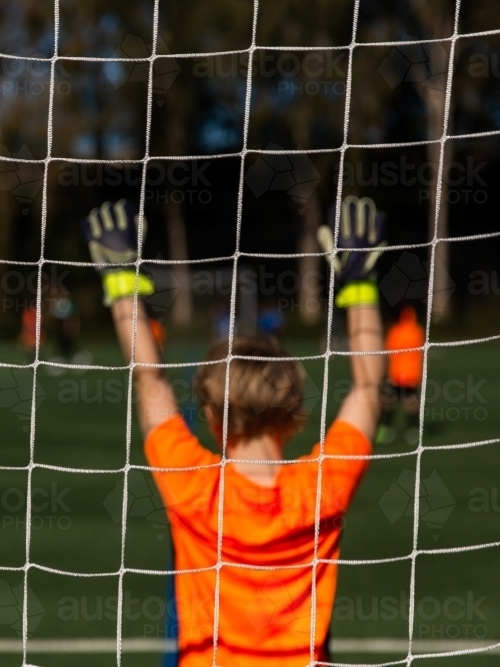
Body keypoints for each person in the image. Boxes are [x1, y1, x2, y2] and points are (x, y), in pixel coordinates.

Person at [83, 197, 385, 665]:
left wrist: (123, 284)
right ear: (293, 412)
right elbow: (367, 388)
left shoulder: (192, 483)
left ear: (211, 415)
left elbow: (150, 377)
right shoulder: (322, 489)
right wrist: (360, 286)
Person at [379, 304, 425, 445]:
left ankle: (385, 430)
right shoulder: (417, 330)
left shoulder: (395, 331)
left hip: (396, 374)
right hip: (412, 374)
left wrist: (384, 373)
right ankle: (413, 431)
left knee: (389, 402)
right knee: (410, 402)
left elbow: (387, 353)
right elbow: (423, 353)